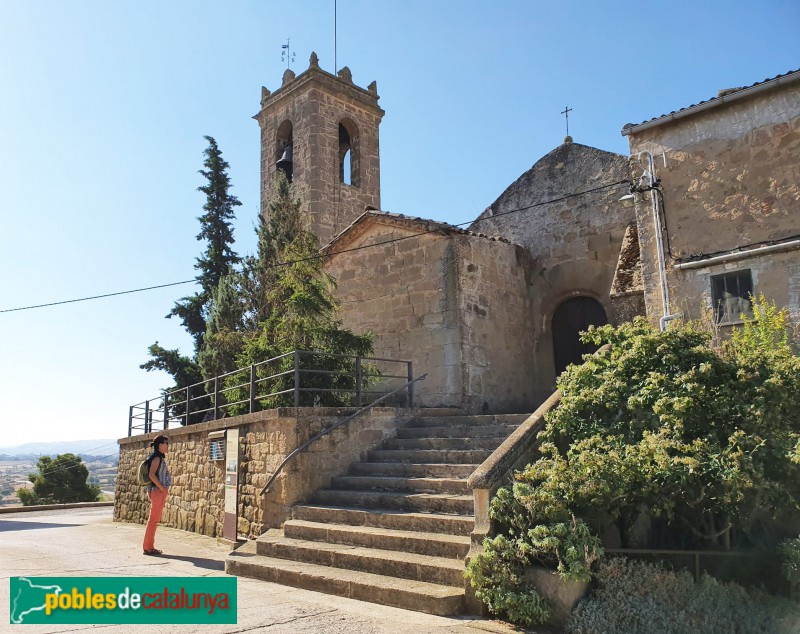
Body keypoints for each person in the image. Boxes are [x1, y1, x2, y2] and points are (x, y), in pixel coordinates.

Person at [142, 435, 172, 555]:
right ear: (160, 445)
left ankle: (149, 546)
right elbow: (151, 474)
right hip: (157, 491)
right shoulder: (157, 458)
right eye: (166, 443)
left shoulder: (157, 457)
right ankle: (148, 547)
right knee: (153, 520)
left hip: (157, 491)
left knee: (154, 519)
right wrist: (162, 488)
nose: (168, 445)